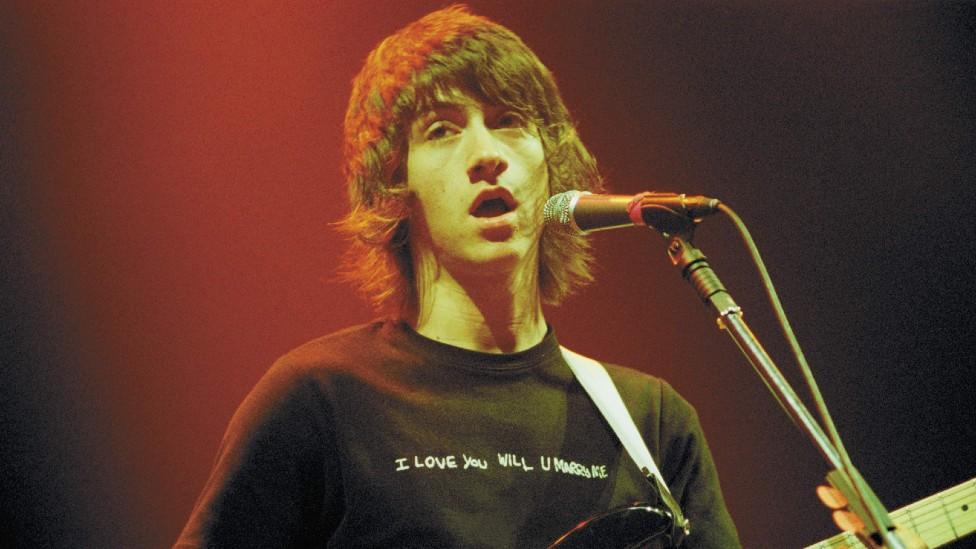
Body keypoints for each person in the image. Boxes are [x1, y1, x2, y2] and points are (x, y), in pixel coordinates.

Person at [175, 6, 740, 548]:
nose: (486, 154)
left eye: (510, 122)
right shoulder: (321, 400)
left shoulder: (649, 421)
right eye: (443, 130)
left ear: (551, 170)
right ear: (394, 187)